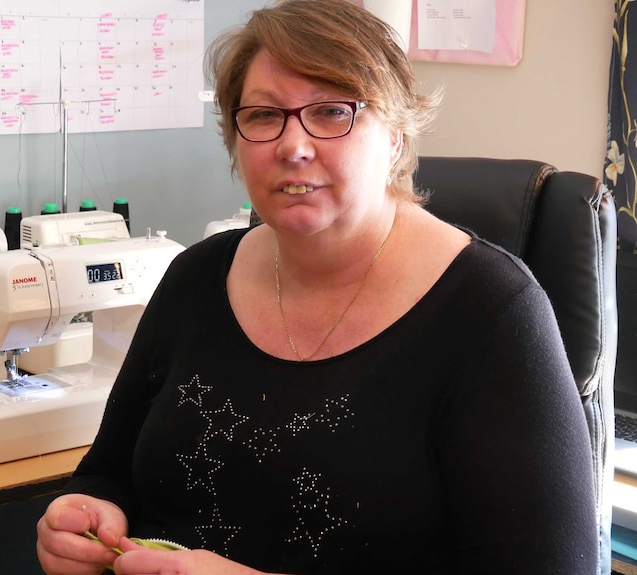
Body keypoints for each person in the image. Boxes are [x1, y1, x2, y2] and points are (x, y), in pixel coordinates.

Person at [36, 0, 598, 573]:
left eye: (332, 112)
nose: (293, 145)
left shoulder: (491, 313)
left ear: (397, 138)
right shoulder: (195, 278)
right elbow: (109, 469)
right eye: (261, 115)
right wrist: (86, 510)